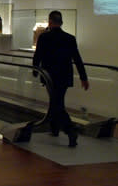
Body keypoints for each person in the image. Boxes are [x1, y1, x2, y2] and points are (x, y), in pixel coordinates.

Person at [33, 10, 89, 147]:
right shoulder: (69, 38)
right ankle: (55, 128)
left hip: (49, 76)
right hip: (64, 76)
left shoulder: (44, 37)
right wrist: (83, 77)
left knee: (56, 103)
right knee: (57, 101)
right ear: (61, 22)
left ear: (50, 22)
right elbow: (77, 59)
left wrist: (35, 70)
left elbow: (38, 56)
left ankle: (70, 130)